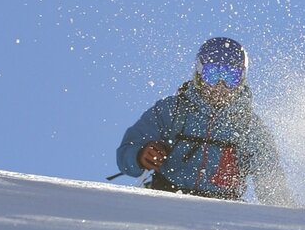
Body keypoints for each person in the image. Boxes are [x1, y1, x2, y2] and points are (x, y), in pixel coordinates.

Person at [116, 37, 294, 206]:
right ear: (199, 74)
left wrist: (290, 217)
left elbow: (271, 184)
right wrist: (139, 155)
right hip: (166, 200)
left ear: (242, 80)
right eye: (212, 74)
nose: (220, 85)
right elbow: (126, 154)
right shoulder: (172, 111)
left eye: (231, 77)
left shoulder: (249, 127)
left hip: (223, 210)